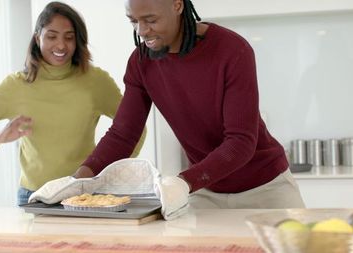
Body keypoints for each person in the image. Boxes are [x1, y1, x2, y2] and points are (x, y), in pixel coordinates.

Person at [70, 0, 305, 219]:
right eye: (134, 21)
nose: (141, 31)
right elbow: (123, 134)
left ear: (177, 5)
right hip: (205, 192)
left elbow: (240, 142)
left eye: (151, 20)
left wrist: (183, 182)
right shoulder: (141, 62)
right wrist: (77, 181)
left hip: (266, 188)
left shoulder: (232, 50)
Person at [0, 1, 144, 206]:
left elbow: (134, 129)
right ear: (37, 38)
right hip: (34, 196)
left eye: (69, 37)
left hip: (85, 195)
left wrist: (109, 172)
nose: (61, 45)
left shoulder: (96, 81)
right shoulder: (17, 86)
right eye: (51, 36)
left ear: (77, 41)